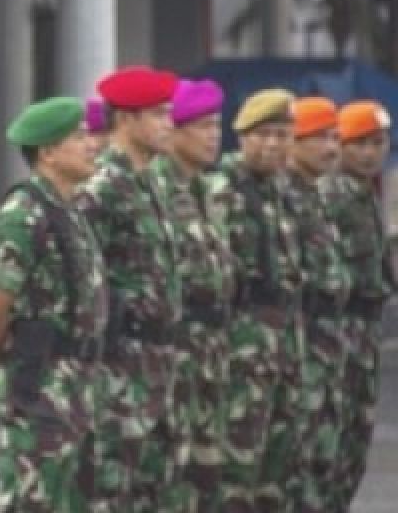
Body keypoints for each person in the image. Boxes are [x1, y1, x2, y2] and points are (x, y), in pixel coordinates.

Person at [0, 96, 107, 512]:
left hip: (78, 385)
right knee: (36, 501)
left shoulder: (69, 211)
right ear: (48, 152)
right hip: (40, 383)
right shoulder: (23, 214)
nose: (92, 145)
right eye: (79, 137)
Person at [74, 66, 181, 512]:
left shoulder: (149, 182)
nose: (169, 124)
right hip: (118, 367)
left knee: (153, 490)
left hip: (156, 363)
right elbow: (78, 276)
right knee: (113, 490)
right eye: (157, 115)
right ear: (126, 121)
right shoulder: (102, 187)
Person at [206, 89, 303, 512]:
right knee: (235, 474)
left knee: (275, 474)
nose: (273, 144)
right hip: (239, 355)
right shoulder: (220, 192)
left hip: (280, 350)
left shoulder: (280, 193)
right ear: (240, 136)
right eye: (263, 134)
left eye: (282, 135)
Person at [147, 79, 235, 512]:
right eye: (202, 126)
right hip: (175, 355)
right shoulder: (157, 189)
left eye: (217, 126)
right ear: (174, 132)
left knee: (209, 477)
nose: (213, 136)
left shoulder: (208, 190)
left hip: (212, 356)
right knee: (171, 479)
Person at [320, 100, 397, 510]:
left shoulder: (364, 194)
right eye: (360, 144)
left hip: (363, 334)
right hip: (339, 334)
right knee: (331, 448)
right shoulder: (331, 195)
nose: (371, 152)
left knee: (354, 447)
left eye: (379, 142)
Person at [284, 97, 351, 513]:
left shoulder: (319, 197)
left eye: (334, 138)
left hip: (327, 352)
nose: (331, 148)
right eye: (319, 138)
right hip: (297, 351)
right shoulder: (284, 196)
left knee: (330, 464)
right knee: (296, 468)